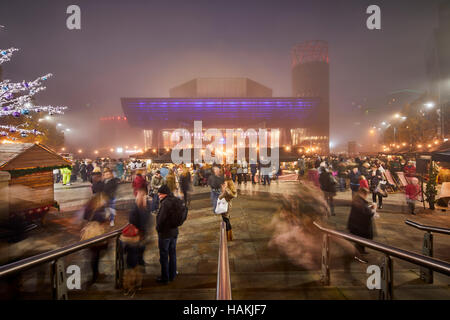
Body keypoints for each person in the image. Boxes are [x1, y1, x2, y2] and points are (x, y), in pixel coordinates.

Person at [121, 189, 150, 295]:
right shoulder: (145, 209)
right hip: (140, 240)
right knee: (137, 261)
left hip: (135, 241)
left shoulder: (136, 209)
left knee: (132, 263)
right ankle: (137, 284)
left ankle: (131, 286)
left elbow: (132, 223)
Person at [155, 184, 179, 284]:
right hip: (174, 232)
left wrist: (158, 229)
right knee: (172, 253)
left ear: (164, 194)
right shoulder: (175, 200)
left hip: (165, 234)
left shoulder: (165, 203)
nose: (158, 196)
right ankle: (173, 274)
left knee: (164, 256)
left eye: (159, 194)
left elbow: (160, 220)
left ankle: (165, 278)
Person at [347, 187, 375, 264]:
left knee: (361, 241)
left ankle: (362, 251)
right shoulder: (359, 201)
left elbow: (363, 209)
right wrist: (373, 210)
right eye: (366, 194)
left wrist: (369, 207)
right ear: (363, 194)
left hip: (358, 225)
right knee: (359, 242)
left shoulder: (358, 200)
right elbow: (366, 213)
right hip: (358, 226)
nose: (367, 196)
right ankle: (358, 257)